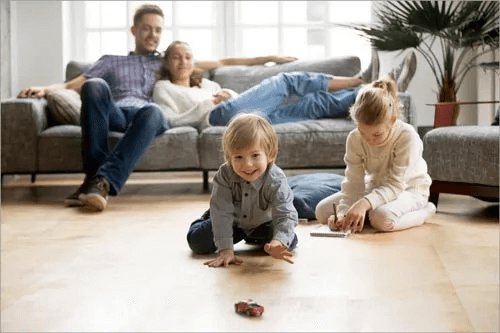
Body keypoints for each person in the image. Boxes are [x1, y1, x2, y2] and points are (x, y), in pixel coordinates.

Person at [17, 4, 297, 212]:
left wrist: (269, 57)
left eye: (158, 30)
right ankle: (94, 179)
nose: (153, 35)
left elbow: (223, 62)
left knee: (153, 111)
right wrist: (45, 89)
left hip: (148, 117)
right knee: (94, 86)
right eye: (147, 28)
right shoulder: (110, 60)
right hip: (116, 113)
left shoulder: (166, 61)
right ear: (134, 30)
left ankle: (99, 182)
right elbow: (75, 83)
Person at [152, 41, 388, 130]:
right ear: (167, 62)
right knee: (286, 81)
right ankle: (360, 79)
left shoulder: (207, 84)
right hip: (217, 117)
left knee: (313, 104)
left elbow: (238, 100)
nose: (183, 61)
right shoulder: (164, 88)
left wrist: (227, 94)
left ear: (194, 62)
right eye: (176, 57)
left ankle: (375, 91)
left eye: (187, 56)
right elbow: (170, 121)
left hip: (243, 115)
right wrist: (208, 103)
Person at [315, 77, 436, 233]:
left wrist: (363, 204)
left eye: (377, 135)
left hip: (409, 189)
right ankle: (364, 215)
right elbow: (353, 182)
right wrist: (343, 214)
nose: (369, 140)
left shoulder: (407, 136)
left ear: (393, 120)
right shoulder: (354, 138)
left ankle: (425, 211)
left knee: (382, 220)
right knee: (322, 212)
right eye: (363, 133)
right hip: (375, 187)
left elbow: (395, 185)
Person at [187, 113, 298, 268]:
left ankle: (258, 237)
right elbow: (222, 214)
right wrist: (225, 250)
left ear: (270, 154)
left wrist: (277, 242)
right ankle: (207, 216)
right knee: (197, 242)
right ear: (228, 157)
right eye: (238, 157)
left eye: (255, 155)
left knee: (288, 241)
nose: (247, 165)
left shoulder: (276, 179)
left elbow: (285, 214)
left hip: (263, 222)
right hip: (233, 221)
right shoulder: (225, 174)